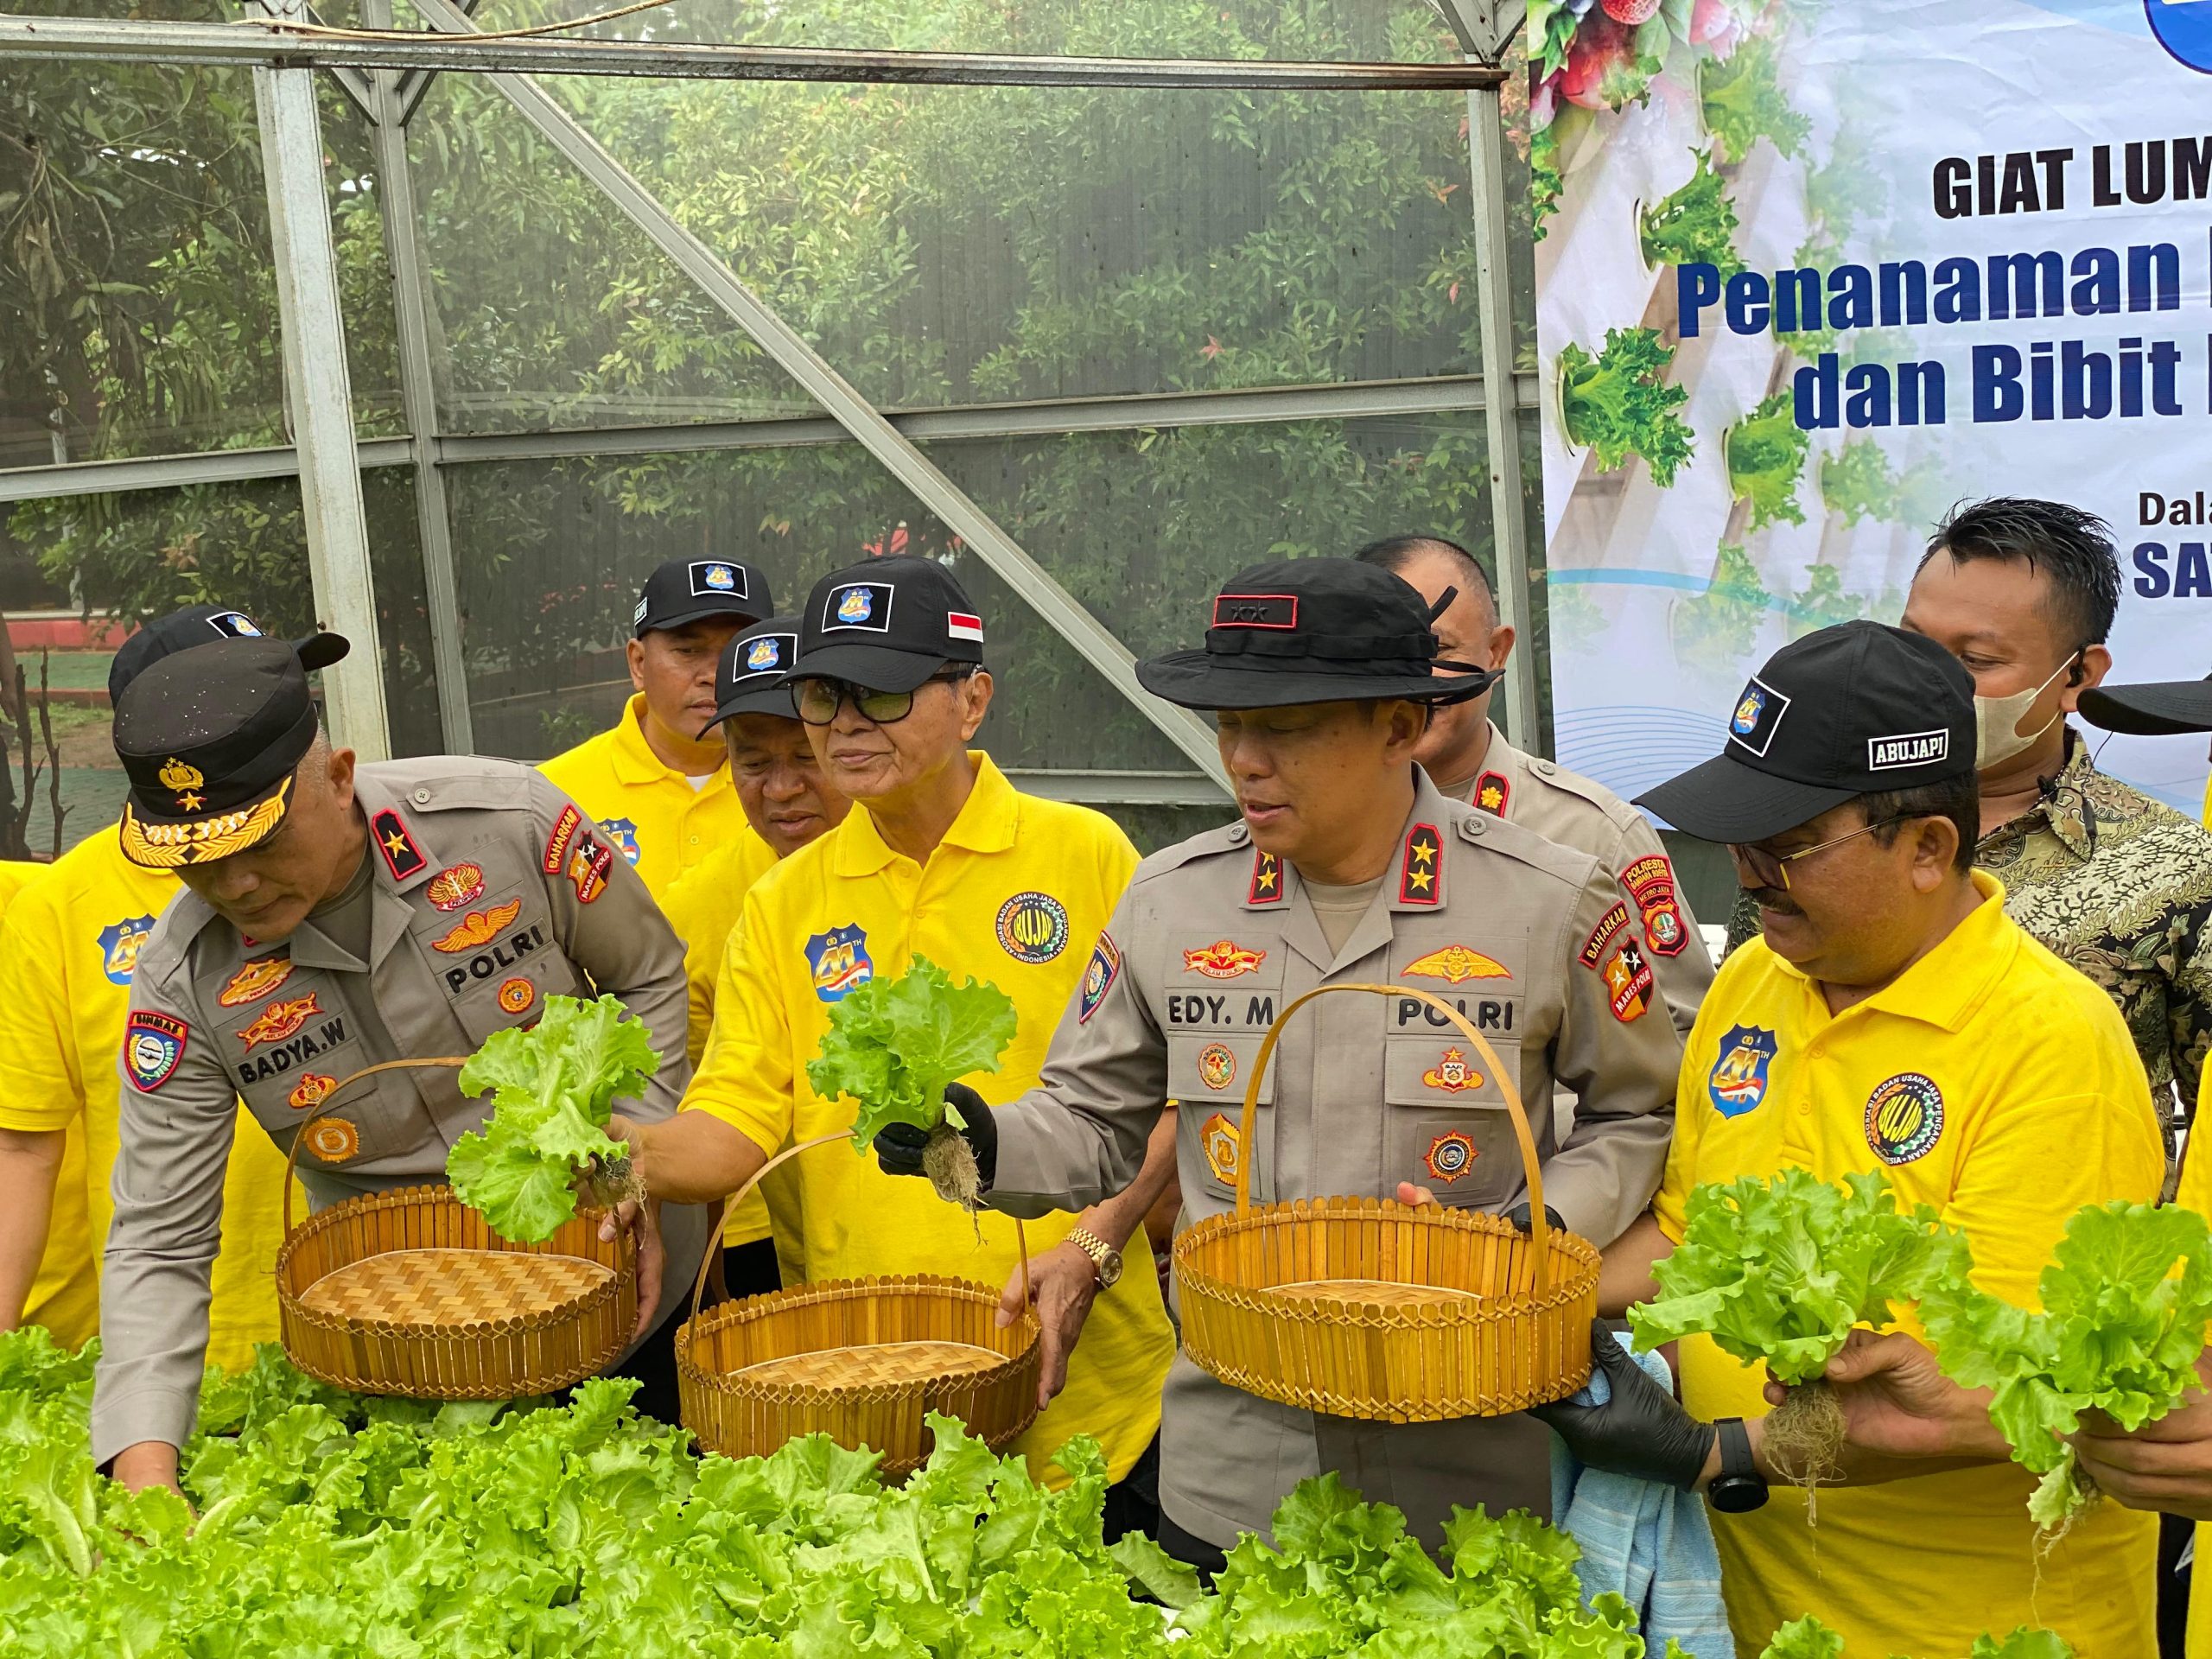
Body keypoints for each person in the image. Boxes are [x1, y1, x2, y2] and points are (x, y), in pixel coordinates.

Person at [867, 556, 1685, 1567]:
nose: (1243, 759)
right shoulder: (1172, 903)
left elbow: (1641, 1112)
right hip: (1234, 1474)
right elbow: (1091, 1119)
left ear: (1395, 727)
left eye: (1285, 727)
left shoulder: (1549, 899)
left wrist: (1533, 1236)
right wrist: (974, 1139)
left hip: (1472, 1467)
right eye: (1228, 725)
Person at [1559, 620, 2164, 1655]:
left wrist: (1719, 1454)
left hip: (1962, 1627)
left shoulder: (2048, 1043)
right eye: (1739, 839)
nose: (1747, 874)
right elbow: (1692, 1239)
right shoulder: (1759, 977)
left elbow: (2001, 1397)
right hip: (1745, 1609)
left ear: (1927, 847)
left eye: (1790, 846)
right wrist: (1524, 1286)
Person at [609, 556, 1179, 1540]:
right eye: (825, 695)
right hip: (871, 1389)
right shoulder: (784, 903)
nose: (842, 725)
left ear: (972, 701)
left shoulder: (1084, 855)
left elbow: (1173, 1095)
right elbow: (738, 1120)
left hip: (1085, 1385)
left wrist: (1095, 1243)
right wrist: (631, 1157)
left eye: (879, 691)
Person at [93, 638, 705, 1494]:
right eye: (193, 860)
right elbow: (160, 1239)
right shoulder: (182, 979)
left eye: (260, 843)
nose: (233, 885)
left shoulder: (507, 824)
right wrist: (144, 1465)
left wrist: (639, 1159)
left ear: (340, 776)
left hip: (628, 1305)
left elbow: (647, 972)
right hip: (409, 1370)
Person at [1722, 499, 2211, 1135]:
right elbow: (1746, 1040)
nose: (1930, 684)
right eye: (1913, 647)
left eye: (1975, 661)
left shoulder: (2177, 865)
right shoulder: (1802, 826)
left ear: (2079, 676)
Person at [0, 607, 336, 1362]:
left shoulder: (347, 846)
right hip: (191, 1342)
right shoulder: (60, 907)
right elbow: (24, 1148)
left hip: (391, 1296)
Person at [1357, 533, 1714, 1035]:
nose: (1411, 680)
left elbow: (1684, 1042)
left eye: (1436, 649)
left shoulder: (1592, 838)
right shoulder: (1297, 830)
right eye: (1374, 654)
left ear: (1496, 653)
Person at [659, 614, 853, 1295]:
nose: (780, 788)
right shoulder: (697, 908)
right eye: (752, 760)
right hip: (812, 1275)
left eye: (805, 755)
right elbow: (700, 1105)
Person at [539, 556, 770, 897]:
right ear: (639, 663)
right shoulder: (553, 797)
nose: (715, 676)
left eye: (742, 652)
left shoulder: (808, 788)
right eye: (689, 650)